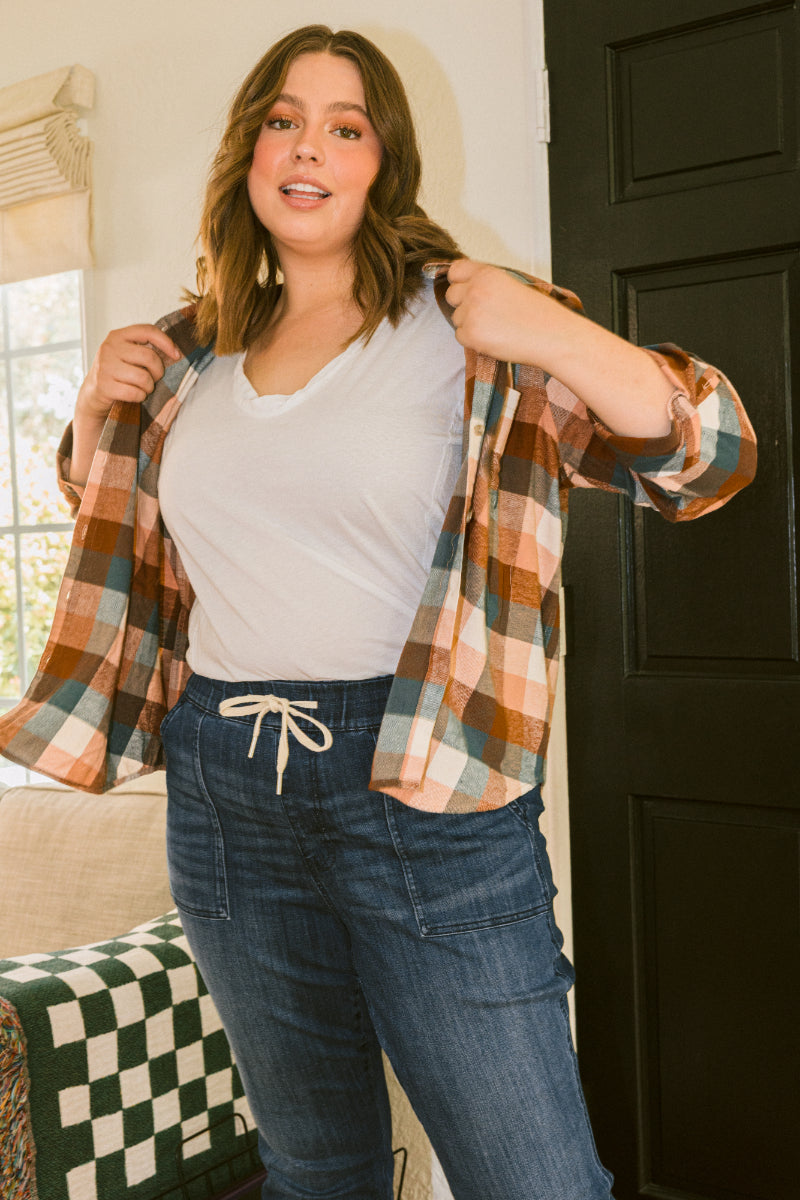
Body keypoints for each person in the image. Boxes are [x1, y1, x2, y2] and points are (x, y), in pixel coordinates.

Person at [0, 23, 756, 1200]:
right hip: (223, 788)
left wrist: (552, 330)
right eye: (283, 121)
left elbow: (709, 459)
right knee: (314, 1171)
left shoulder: (466, 325)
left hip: (422, 784)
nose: (308, 148)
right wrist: (98, 409)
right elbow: (126, 527)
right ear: (249, 152)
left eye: (344, 127)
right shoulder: (191, 350)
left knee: (533, 1181)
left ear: (381, 162)